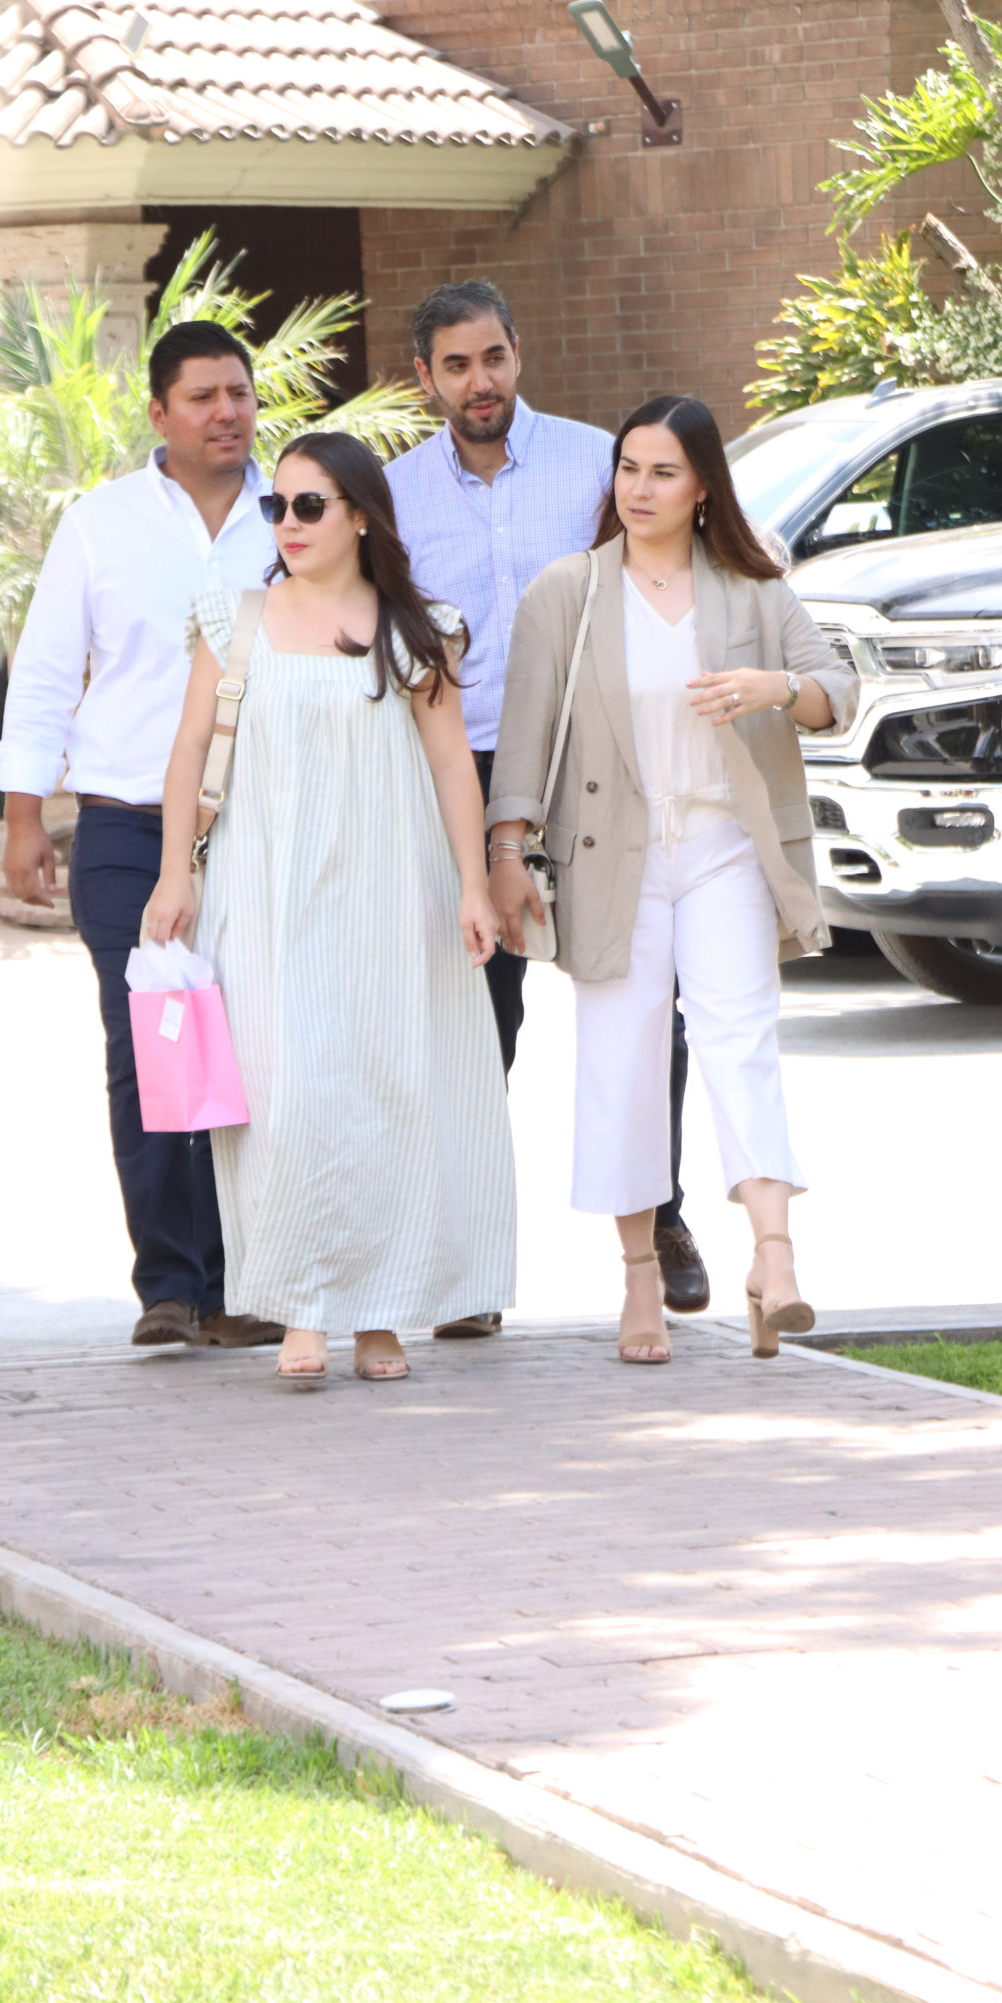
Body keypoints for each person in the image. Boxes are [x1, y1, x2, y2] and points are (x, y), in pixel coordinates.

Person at [487, 394, 858, 1365]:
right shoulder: (567, 592)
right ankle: (640, 1277)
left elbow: (838, 691)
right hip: (615, 858)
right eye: (628, 468)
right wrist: (506, 860)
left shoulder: (751, 589)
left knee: (743, 1039)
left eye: (663, 471)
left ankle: (774, 1260)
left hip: (725, 846)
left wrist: (770, 687)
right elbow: (520, 749)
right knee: (625, 1055)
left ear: (703, 488)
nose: (639, 488)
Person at [144, 430, 515, 1384]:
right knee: (286, 1098)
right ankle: (303, 1305)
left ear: (359, 514)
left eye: (309, 505)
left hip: (393, 889)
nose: (289, 524)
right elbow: (188, 751)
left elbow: (448, 766)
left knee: (390, 1090)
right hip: (264, 891)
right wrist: (173, 875)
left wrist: (473, 885)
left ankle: (380, 1314)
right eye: (279, 507)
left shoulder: (416, 626)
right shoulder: (233, 619)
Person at [386, 280, 710, 1327]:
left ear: (518, 352)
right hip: (459, 776)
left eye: (493, 357)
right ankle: (468, 1259)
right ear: (426, 377)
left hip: (595, 764)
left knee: (640, 987)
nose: (479, 382)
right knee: (479, 1016)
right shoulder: (392, 494)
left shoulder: (589, 465)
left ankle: (659, 1214)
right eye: (456, 365)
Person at [0, 321, 281, 1351]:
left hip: (259, 822)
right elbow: (43, 672)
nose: (226, 412)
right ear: (158, 413)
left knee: (252, 1044)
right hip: (122, 826)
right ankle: (171, 1283)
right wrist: (25, 814)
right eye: (202, 396)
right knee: (153, 1045)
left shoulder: (295, 512)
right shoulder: (102, 523)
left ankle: (248, 1280)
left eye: (240, 392)